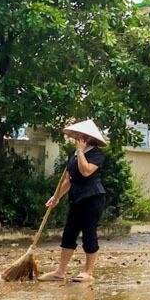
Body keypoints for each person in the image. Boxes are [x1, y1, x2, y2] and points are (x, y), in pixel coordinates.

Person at [45, 119, 109, 284]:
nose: (77, 138)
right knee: (69, 232)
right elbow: (68, 180)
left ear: (88, 138)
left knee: (89, 233)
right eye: (77, 136)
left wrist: (80, 152)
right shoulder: (72, 156)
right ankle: (60, 271)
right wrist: (56, 196)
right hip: (76, 197)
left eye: (80, 136)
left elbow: (86, 171)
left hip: (93, 197)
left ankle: (88, 272)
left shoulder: (96, 154)